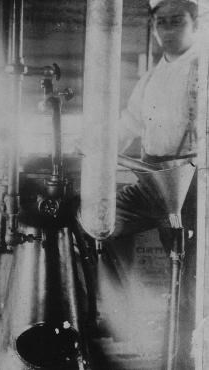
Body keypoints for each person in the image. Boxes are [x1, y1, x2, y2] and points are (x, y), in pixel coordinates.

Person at [103, 0, 200, 368]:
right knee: (98, 223)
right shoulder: (152, 76)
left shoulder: (202, 68)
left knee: (189, 277)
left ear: (195, 22)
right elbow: (128, 123)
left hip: (193, 187)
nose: (167, 29)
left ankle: (182, 360)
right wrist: (94, 150)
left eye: (177, 20)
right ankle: (124, 314)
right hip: (153, 181)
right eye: (161, 22)